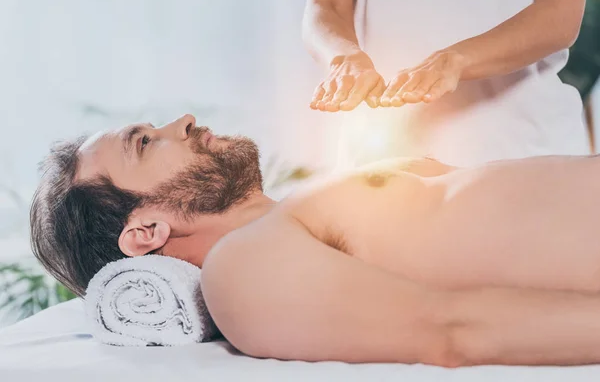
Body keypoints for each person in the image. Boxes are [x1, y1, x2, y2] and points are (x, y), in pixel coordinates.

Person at [31, 114, 600, 367]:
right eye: (146, 144)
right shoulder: (244, 268)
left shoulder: (303, 207)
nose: (182, 120)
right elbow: (452, 331)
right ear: (146, 231)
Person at [303, 0, 591, 167]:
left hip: (520, 150)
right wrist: (344, 58)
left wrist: (456, 60)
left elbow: (559, 10)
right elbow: (326, 3)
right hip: (381, 161)